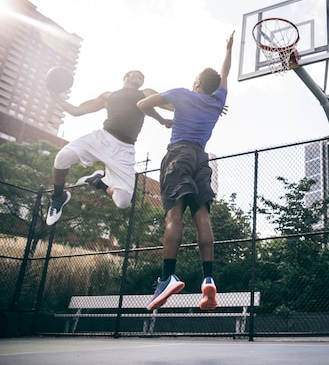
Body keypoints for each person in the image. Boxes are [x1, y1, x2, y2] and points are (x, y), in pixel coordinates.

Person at [137, 31, 234, 311]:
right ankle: (208, 278)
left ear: (197, 82)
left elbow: (142, 103)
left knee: (174, 214)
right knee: (201, 215)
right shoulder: (217, 102)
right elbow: (225, 72)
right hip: (201, 160)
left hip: (178, 154)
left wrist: (165, 118)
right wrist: (228, 50)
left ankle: (167, 277)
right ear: (214, 87)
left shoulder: (182, 94)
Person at [46, 70, 172, 226]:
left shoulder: (146, 93)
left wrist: (182, 109)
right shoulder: (108, 96)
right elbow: (76, 111)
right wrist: (55, 96)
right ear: (126, 76)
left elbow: (168, 104)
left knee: (123, 202)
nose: (142, 77)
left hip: (124, 150)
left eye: (143, 76)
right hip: (102, 139)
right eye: (138, 74)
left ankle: (99, 181)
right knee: (62, 157)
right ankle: (58, 197)